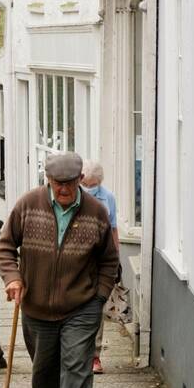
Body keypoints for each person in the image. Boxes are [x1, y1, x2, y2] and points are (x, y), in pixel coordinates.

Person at [0, 151, 120, 388]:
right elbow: (5, 246)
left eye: (69, 183)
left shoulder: (96, 212)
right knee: (45, 369)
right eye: (56, 182)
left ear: (80, 179)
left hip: (82, 305)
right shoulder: (28, 204)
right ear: (47, 179)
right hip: (36, 306)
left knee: (76, 366)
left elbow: (109, 260)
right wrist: (12, 278)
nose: (63, 189)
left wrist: (100, 297)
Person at [81, 160, 118, 374]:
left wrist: (116, 258)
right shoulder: (74, 196)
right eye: (85, 184)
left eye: (92, 185)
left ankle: (94, 355)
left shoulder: (108, 198)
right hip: (78, 261)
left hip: (100, 261)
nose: (88, 189)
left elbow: (113, 229)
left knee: (97, 308)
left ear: (100, 183)